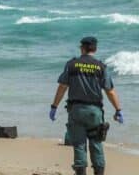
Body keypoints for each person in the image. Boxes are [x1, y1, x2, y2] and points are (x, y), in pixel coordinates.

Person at [50, 37, 124, 175]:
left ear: (82, 48)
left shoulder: (72, 65)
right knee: (96, 144)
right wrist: (118, 110)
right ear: (95, 49)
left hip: (76, 111)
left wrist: (54, 106)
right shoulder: (101, 67)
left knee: (79, 145)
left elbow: (62, 87)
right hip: (94, 112)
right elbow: (110, 91)